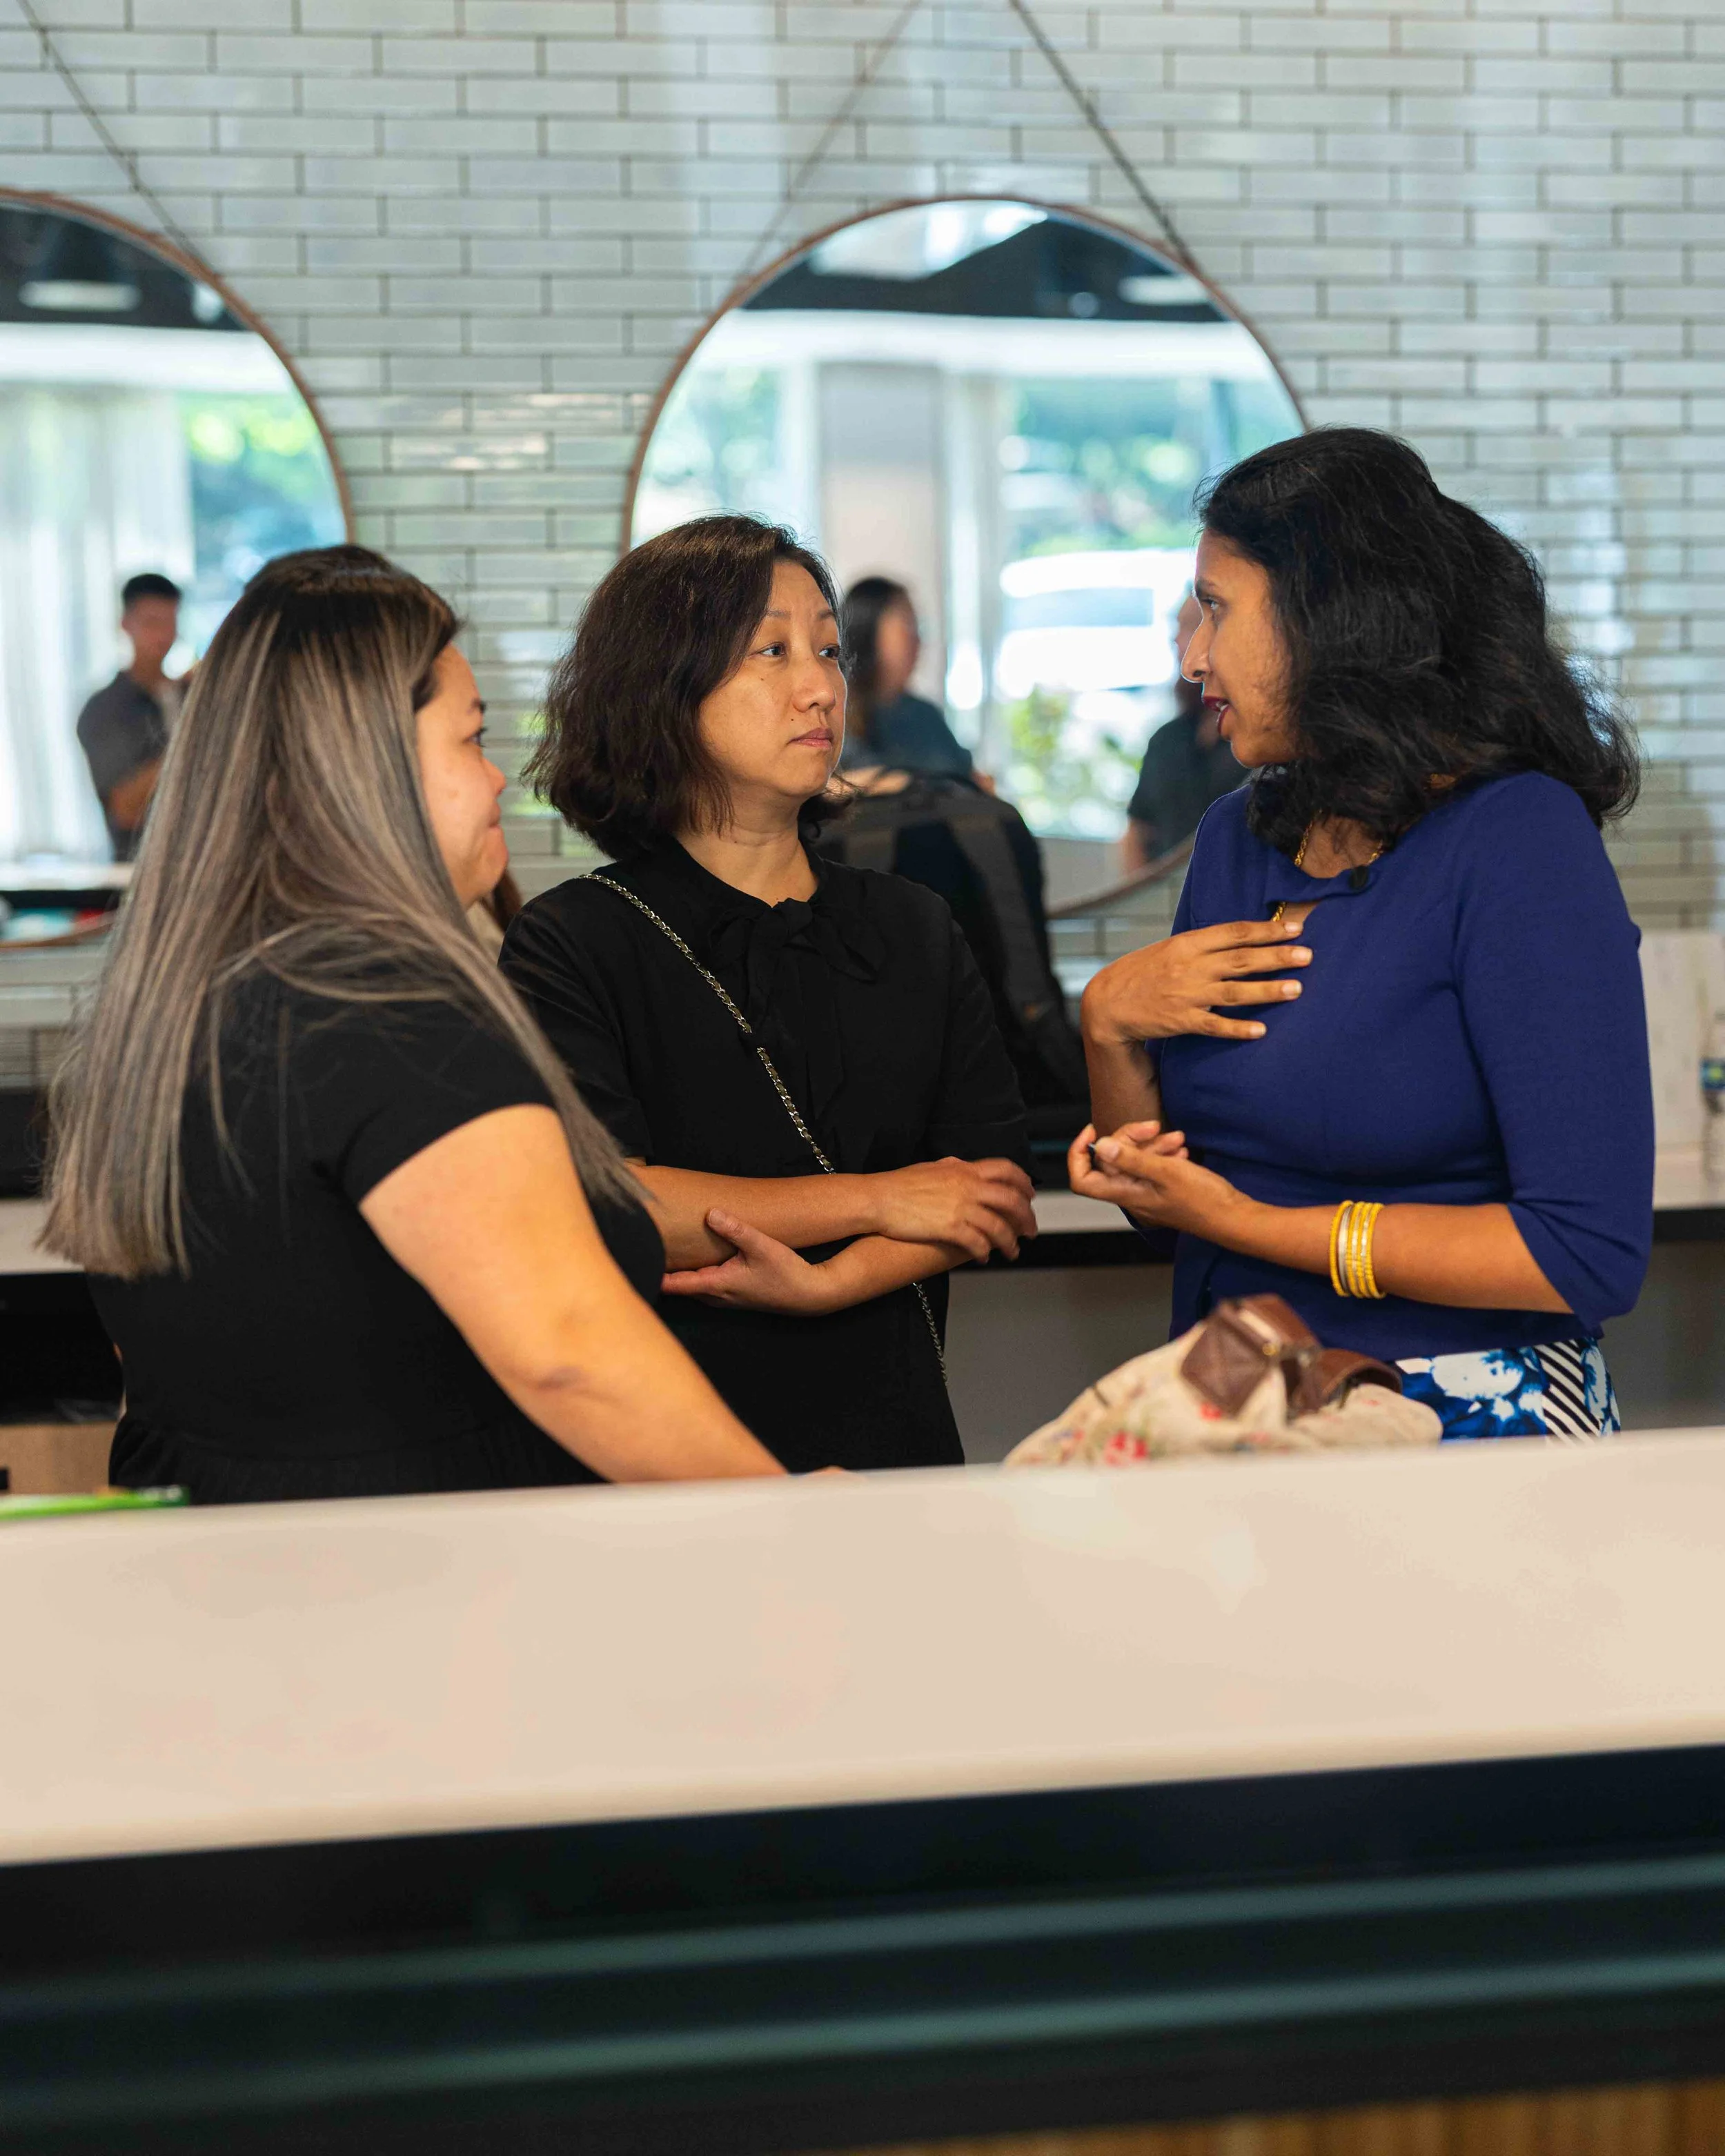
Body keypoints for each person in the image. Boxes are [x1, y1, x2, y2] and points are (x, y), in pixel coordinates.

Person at [43, 545, 785, 1502]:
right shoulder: (385, 1012)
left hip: (231, 1577)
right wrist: (797, 1520)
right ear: (368, 768)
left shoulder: (185, 1004)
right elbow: (569, 1351)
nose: (498, 783)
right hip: (417, 1594)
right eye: (472, 741)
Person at [1069, 428, 1652, 1442]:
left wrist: (1248, 1227)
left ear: (1328, 618)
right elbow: (1166, 1203)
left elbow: (1585, 1252)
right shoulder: (1236, 837)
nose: (1190, 654)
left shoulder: (1517, 838)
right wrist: (1109, 1027)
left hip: (1463, 1395)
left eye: (1215, 608)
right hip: (1245, 1379)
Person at [500, 515, 1036, 1474]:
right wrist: (881, 1199)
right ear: (668, 684)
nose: (821, 684)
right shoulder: (573, 942)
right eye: (773, 651)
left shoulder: (912, 925)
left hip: (896, 1450)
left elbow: (986, 1190)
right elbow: (612, 1201)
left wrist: (830, 1286)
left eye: (831, 648)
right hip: (670, 1466)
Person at [1119, 589, 1241, 873]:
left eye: (1190, 625)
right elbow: (1137, 829)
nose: (1177, 639)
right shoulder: (1166, 740)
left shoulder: (1261, 744)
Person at [75, 571, 185, 862]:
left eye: (170, 623)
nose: (163, 635)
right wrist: (192, 739)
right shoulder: (106, 708)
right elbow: (125, 808)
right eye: (152, 623)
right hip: (139, 868)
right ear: (126, 624)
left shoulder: (189, 693)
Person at [839, 575, 985, 786]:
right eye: (908, 624)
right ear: (868, 629)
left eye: (918, 626)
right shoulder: (839, 717)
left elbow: (969, 777)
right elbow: (828, 791)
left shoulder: (925, 714)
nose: (918, 639)